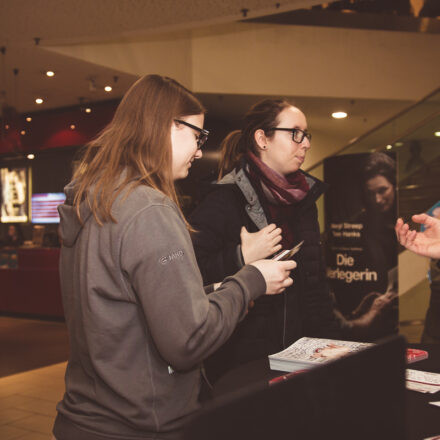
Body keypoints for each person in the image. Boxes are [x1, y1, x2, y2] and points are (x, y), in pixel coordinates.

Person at [52, 75, 296, 440]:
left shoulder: (96, 199)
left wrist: (218, 289)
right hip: (139, 427)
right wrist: (252, 280)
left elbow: (128, 307)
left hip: (86, 420)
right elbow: (188, 342)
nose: (199, 151)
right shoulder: (147, 208)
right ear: (167, 126)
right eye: (197, 136)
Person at [189, 99, 341, 382]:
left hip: (302, 360)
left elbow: (315, 282)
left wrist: (331, 346)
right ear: (262, 138)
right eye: (295, 133)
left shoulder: (305, 199)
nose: (305, 143)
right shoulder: (224, 199)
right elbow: (188, 276)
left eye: (307, 135)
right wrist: (240, 257)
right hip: (243, 366)